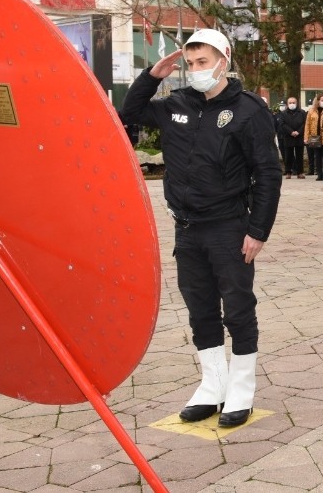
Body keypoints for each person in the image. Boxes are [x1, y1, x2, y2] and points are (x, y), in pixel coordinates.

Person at [121, 28, 282, 428]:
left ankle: (241, 389)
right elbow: (127, 114)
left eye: (203, 62)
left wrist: (258, 230)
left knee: (239, 309)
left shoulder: (248, 110)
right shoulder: (175, 103)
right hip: (187, 228)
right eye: (190, 64)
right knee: (200, 310)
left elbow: (268, 173)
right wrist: (152, 77)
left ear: (223, 62)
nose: (195, 71)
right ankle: (213, 386)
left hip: (230, 227)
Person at [279, 96, 307, 178]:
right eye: (290, 103)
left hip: (299, 136)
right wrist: (291, 132)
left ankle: (300, 172)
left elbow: (305, 124)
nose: (292, 104)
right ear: (287, 104)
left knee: (299, 155)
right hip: (288, 137)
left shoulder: (302, 112)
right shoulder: (283, 113)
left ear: (297, 103)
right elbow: (282, 124)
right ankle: (288, 172)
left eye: (293, 102)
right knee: (288, 156)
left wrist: (298, 131)